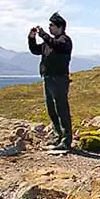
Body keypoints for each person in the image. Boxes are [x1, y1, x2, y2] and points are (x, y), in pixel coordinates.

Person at [28, 12, 73, 152]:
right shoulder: (48, 43)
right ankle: (58, 136)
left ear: (60, 27)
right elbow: (35, 50)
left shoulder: (64, 41)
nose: (50, 28)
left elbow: (55, 44)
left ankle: (66, 140)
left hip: (59, 79)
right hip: (48, 79)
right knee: (52, 110)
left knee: (61, 109)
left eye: (52, 25)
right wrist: (31, 38)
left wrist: (42, 33)